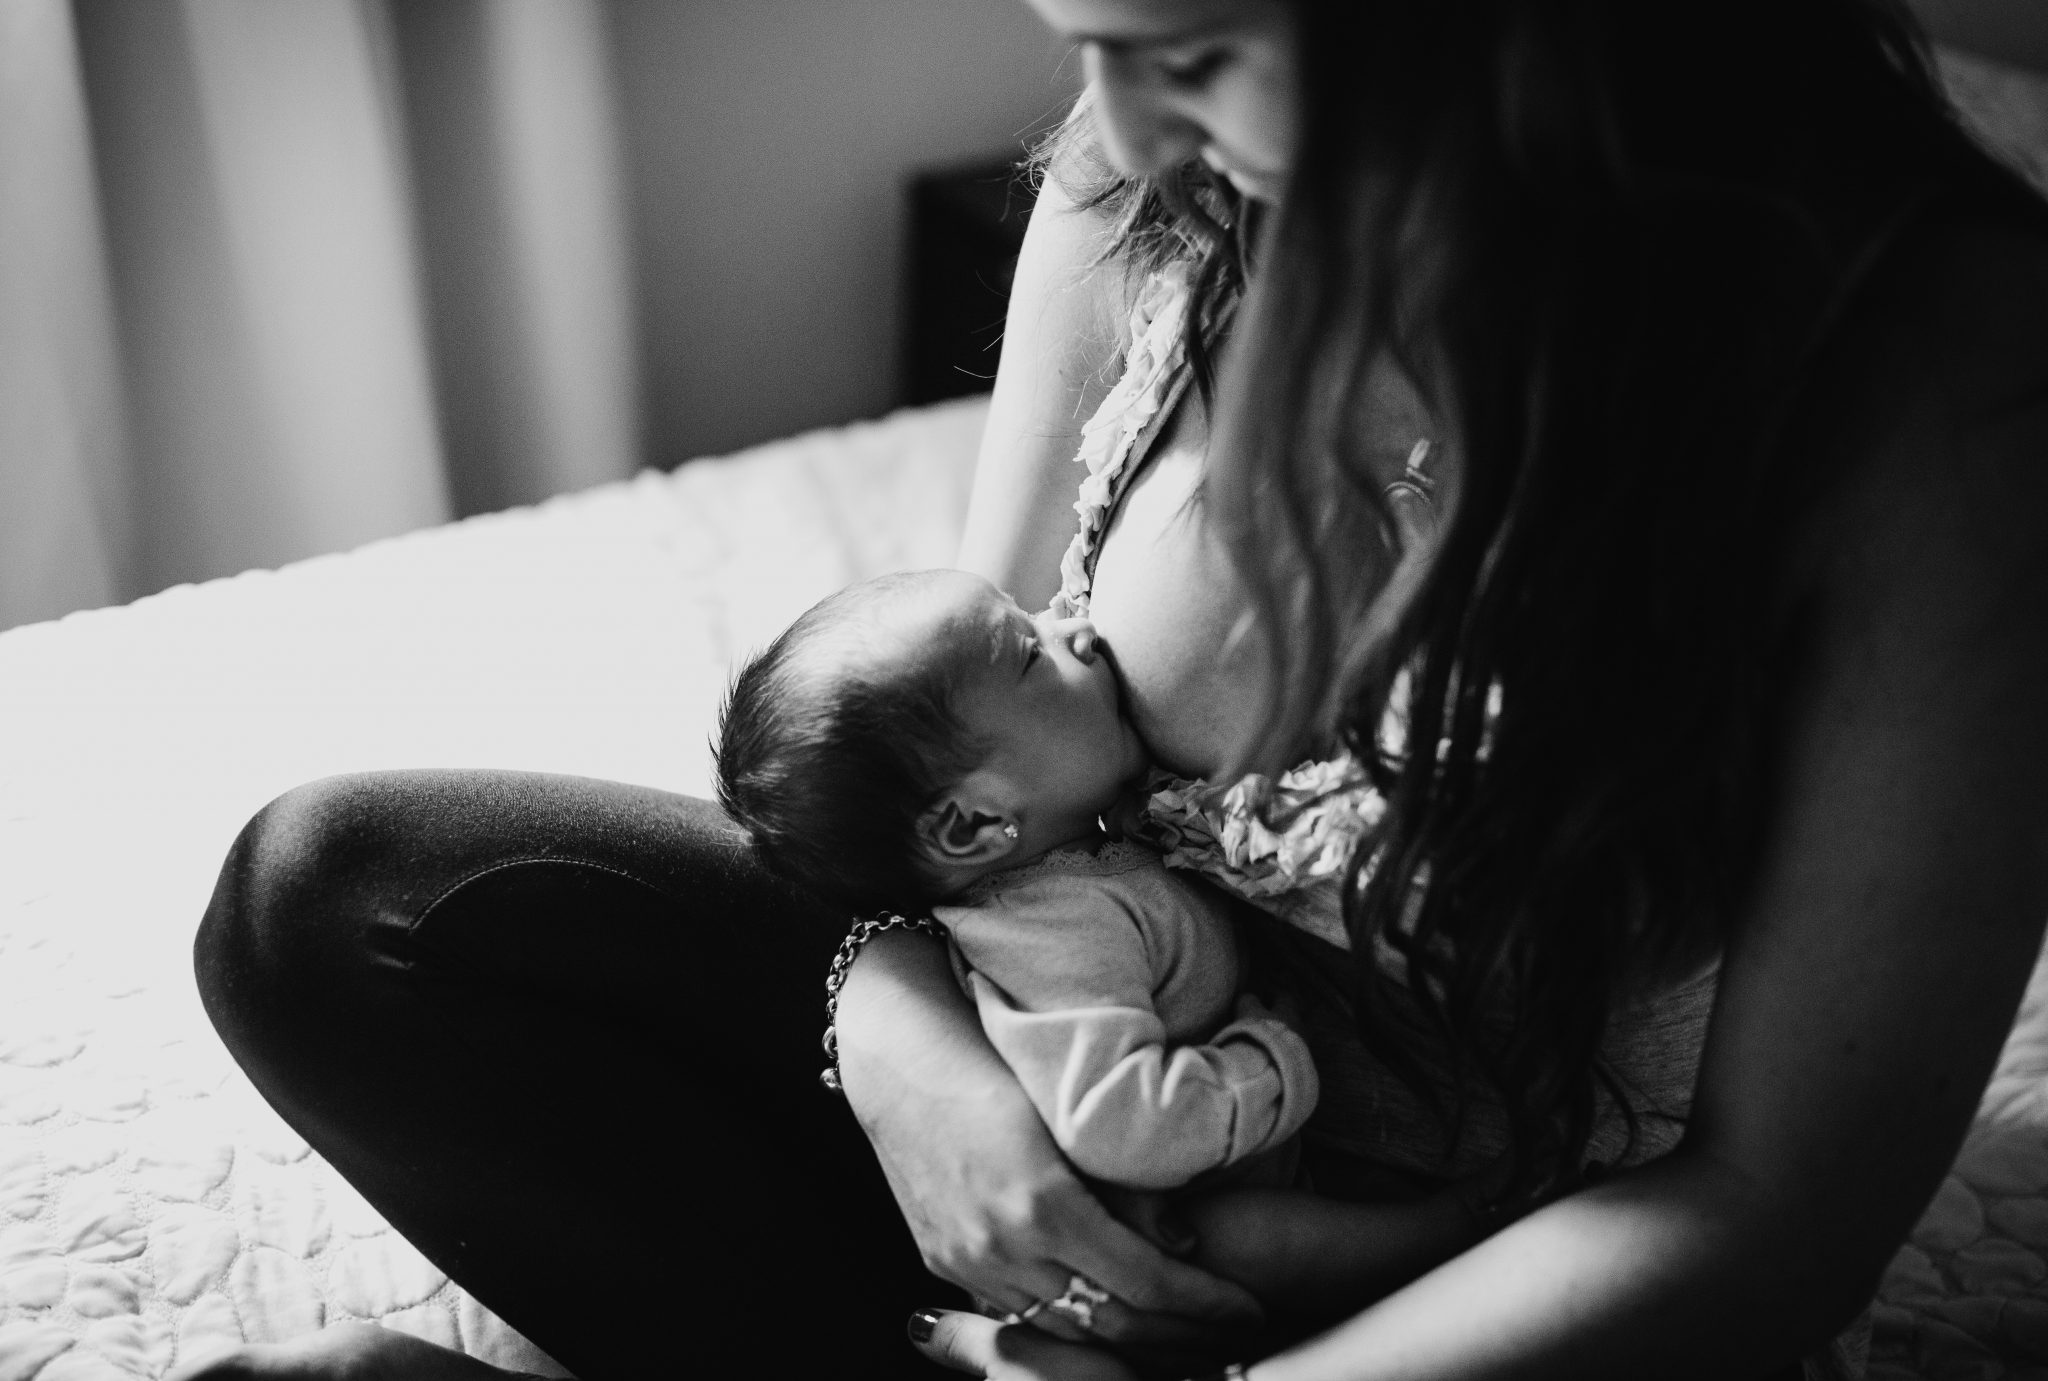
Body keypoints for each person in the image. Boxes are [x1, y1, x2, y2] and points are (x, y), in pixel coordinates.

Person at [180, 2, 2048, 1380]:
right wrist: (915, 1069)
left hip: (1480, 1271)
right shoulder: (1152, 195)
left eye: (1197, 47)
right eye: (1086, 35)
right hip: (1068, 1070)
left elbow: (1771, 1217)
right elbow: (935, 774)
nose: (1121, 121)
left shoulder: (1941, 399)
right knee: (331, 904)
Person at [713, 567, 1319, 1194]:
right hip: (1222, 1199)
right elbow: (1122, 1127)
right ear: (974, 823)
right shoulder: (1052, 935)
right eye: (1032, 652)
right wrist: (1273, 1058)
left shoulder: (1084, 860)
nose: (1076, 628)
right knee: (1271, 1238)